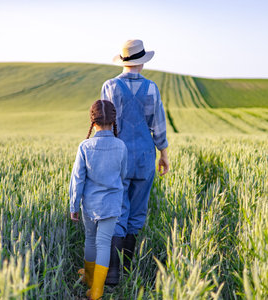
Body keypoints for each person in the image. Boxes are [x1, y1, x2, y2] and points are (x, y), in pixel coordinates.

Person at [101, 39, 169, 285]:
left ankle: (113, 273)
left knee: (118, 211)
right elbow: (158, 125)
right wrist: (163, 153)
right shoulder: (151, 88)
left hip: (117, 157)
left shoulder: (109, 86)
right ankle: (128, 268)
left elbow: (104, 124)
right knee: (137, 212)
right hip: (143, 157)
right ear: (142, 62)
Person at [69, 100, 127, 300]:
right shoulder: (121, 146)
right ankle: (97, 291)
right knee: (104, 244)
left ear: (93, 123)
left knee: (90, 241)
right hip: (111, 205)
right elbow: (123, 175)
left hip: (90, 206)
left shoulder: (85, 146)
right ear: (113, 122)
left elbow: (77, 179)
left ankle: (88, 277)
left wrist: (74, 205)